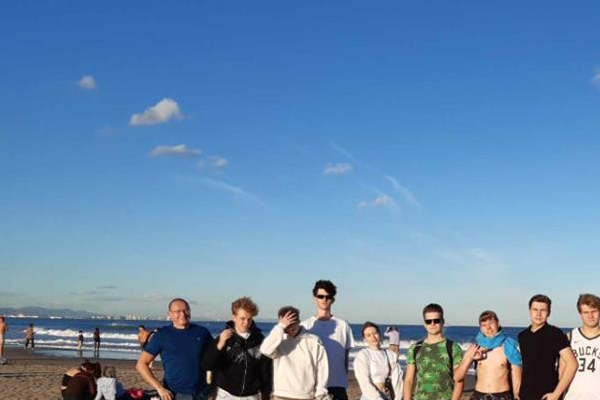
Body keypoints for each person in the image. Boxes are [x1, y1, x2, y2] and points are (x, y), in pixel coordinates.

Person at [136, 297, 213, 400]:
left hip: (201, 393)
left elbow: (214, 356)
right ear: (170, 314)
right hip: (175, 393)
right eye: (178, 311)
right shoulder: (162, 335)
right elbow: (141, 364)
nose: (183, 314)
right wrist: (159, 388)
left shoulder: (202, 332)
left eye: (186, 310)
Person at [202, 297, 272, 400]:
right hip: (225, 394)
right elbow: (207, 365)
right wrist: (219, 345)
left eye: (249, 319)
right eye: (242, 318)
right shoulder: (224, 338)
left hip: (251, 395)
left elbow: (266, 370)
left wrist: (266, 394)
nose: (246, 323)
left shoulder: (259, 339)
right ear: (234, 317)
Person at [260, 306, 329, 400]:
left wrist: (321, 394)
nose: (289, 329)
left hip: (306, 396)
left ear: (299, 321)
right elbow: (265, 350)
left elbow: (322, 368)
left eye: (292, 325)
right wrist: (280, 326)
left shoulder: (313, 340)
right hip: (281, 395)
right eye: (287, 326)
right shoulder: (278, 340)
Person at [301, 280, 354, 400]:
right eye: (321, 296)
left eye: (328, 297)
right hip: (313, 386)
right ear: (314, 298)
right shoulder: (305, 326)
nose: (324, 299)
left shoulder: (343, 325)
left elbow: (345, 356)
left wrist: (342, 378)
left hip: (338, 385)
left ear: (333, 300)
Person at [518, 294, 577, 400]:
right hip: (524, 395)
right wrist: (517, 391)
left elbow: (572, 364)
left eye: (543, 310)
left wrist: (556, 394)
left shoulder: (555, 334)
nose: (538, 314)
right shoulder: (522, 336)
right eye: (535, 310)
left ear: (549, 312)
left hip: (547, 395)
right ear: (529, 311)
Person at [454, 310, 522, 400]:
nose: (488, 328)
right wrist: (470, 358)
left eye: (491, 323)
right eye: (484, 325)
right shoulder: (475, 348)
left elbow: (516, 375)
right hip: (478, 396)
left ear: (498, 324)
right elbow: (457, 377)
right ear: (480, 328)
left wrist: (517, 394)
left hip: (502, 396)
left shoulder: (508, 346)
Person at [403, 303, 463, 400]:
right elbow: (408, 381)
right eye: (428, 321)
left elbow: (459, 380)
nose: (432, 324)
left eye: (436, 320)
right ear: (424, 324)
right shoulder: (415, 348)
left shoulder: (453, 347)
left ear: (443, 321)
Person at [563, 293, 600, 400]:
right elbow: (562, 371)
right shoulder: (569, 338)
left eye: (594, 311)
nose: (590, 316)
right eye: (586, 312)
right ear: (580, 314)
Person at [354, 322, 403, 400]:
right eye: (368, 335)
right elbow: (364, 382)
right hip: (369, 397)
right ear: (365, 339)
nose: (373, 337)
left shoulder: (389, 355)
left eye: (375, 333)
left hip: (386, 396)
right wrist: (378, 398)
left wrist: (398, 398)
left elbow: (397, 380)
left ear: (379, 334)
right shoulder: (363, 355)